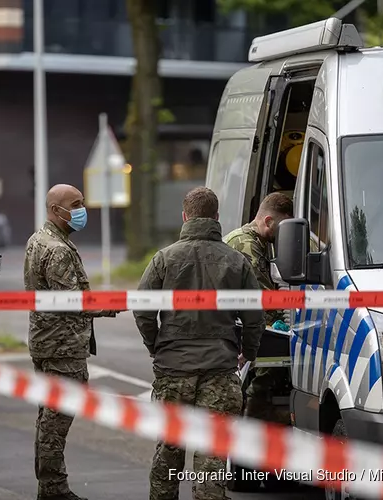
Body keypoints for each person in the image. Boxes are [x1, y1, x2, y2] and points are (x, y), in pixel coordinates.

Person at [134, 186, 266, 500]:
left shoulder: (164, 258)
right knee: (212, 453)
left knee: (169, 448)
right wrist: (248, 351)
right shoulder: (236, 261)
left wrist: (157, 345)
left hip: (173, 368)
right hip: (220, 369)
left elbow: (142, 307)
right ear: (216, 217)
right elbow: (254, 316)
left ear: (185, 216)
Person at [24, 184, 120, 500]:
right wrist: (111, 303)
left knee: (49, 417)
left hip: (46, 342)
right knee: (55, 422)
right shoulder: (57, 250)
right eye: (75, 204)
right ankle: (54, 490)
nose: (81, 210)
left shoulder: (38, 240)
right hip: (62, 347)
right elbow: (72, 301)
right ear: (56, 210)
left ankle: (49, 488)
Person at [223, 192, 294, 424]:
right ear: (268, 222)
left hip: (236, 323)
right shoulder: (246, 244)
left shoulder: (256, 242)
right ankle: (252, 430)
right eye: (282, 227)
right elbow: (261, 298)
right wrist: (282, 325)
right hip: (230, 327)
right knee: (267, 372)